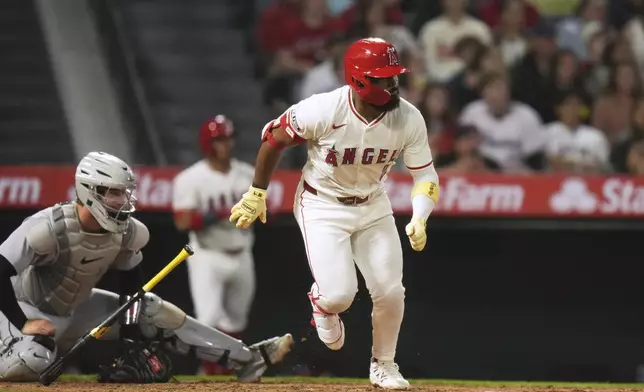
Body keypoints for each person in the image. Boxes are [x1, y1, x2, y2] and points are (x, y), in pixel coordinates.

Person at [229, 38, 440, 390]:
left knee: (390, 292)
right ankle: (323, 304)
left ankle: (384, 364)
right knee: (340, 294)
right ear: (358, 80)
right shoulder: (325, 109)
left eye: (394, 76)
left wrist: (420, 215)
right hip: (321, 204)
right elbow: (273, 138)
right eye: (382, 78)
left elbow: (426, 175)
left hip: (373, 205)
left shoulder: (409, 118)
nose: (392, 84)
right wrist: (256, 192)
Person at [0, 151, 292, 383]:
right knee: (32, 361)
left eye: (126, 193)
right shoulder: (46, 228)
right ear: (90, 191)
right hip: (25, 310)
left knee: (149, 307)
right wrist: (23, 321)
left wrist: (129, 342)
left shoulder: (129, 232)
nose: (124, 201)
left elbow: (131, 290)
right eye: (114, 193)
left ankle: (246, 359)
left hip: (75, 309)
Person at [172, 116, 257, 375]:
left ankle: (226, 369)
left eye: (229, 138)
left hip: (241, 251)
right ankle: (209, 371)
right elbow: (182, 221)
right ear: (208, 143)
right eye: (220, 139)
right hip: (207, 254)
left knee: (236, 319)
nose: (227, 144)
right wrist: (221, 213)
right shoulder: (191, 178)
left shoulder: (247, 173)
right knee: (207, 320)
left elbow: (266, 209)